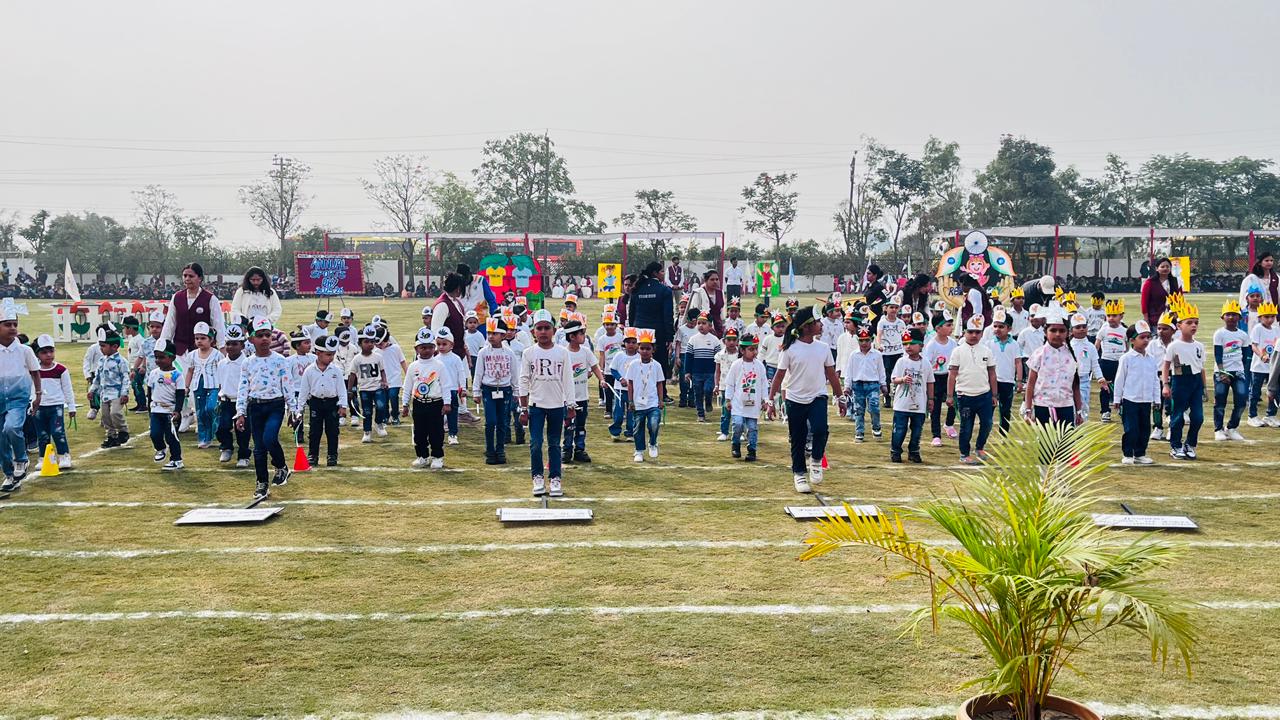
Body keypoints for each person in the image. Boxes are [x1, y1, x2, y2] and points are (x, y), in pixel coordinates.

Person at [769, 304, 845, 493]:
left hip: (817, 396)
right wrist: (771, 400)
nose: (821, 325)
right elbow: (779, 376)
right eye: (818, 322)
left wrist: (840, 397)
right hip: (794, 398)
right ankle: (799, 474)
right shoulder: (789, 349)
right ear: (806, 326)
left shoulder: (823, 347)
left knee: (820, 429)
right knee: (798, 437)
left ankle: (817, 460)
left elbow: (832, 375)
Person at [235, 318, 298, 500]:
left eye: (267, 335)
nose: (264, 339)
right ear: (251, 339)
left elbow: (287, 385)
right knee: (259, 449)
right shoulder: (247, 363)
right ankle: (262, 483)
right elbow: (243, 388)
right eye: (259, 335)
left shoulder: (280, 360)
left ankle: (281, 466)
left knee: (270, 438)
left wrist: (293, 410)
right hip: (255, 407)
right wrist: (240, 412)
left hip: (275, 405)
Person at [518, 309, 575, 497]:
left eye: (546, 328)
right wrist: (523, 408)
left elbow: (568, 380)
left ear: (554, 329)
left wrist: (571, 405)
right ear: (533, 331)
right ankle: (537, 477)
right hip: (536, 406)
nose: (543, 332)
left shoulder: (562, 353)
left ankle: (555, 478)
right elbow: (523, 380)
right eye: (539, 328)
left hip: (557, 405)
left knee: (554, 444)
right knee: (535, 443)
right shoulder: (528, 353)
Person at [948, 315, 998, 465]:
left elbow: (992, 373)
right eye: (970, 332)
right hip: (965, 396)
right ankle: (964, 453)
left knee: (987, 423)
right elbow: (952, 375)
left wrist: (994, 394)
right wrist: (950, 395)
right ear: (964, 332)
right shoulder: (957, 351)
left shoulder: (986, 351)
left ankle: (980, 447)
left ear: (982, 333)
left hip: (984, 395)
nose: (974, 335)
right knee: (966, 426)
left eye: (977, 332)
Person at [0, 307, 40, 492]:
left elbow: (35, 373)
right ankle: (9, 475)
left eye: (15, 324)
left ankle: (21, 460)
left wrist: (37, 395)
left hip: (18, 398)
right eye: (8, 325)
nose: (13, 328)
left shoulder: (24, 351)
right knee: (1, 439)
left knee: (12, 427)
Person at [1163, 304, 1207, 460]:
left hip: (1195, 382)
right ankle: (1175, 445)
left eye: (1196, 322)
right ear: (1179, 325)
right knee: (1178, 416)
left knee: (1198, 417)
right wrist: (1166, 385)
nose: (1193, 325)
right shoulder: (1174, 346)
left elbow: (1201, 368)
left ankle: (1190, 444)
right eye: (1189, 322)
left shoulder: (1200, 346)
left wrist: (1204, 388)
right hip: (1180, 382)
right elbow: (1166, 366)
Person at [1024, 307, 1082, 427]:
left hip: (1065, 405)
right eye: (1053, 330)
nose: (1057, 334)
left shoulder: (1071, 356)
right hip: (1043, 406)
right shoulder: (1039, 354)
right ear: (1045, 332)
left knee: (1065, 443)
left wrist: (1079, 411)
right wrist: (1028, 409)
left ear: (1068, 333)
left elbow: (1075, 385)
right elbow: (1030, 384)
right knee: (1045, 443)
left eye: (1062, 331)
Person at [1112, 321, 1159, 465]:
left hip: (1146, 400)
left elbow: (1155, 380)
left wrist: (1156, 399)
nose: (1146, 340)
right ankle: (1127, 453)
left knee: (1145, 428)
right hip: (1130, 399)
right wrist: (1117, 398)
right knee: (1131, 428)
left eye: (1148, 337)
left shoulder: (1151, 359)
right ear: (1132, 340)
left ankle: (1140, 453)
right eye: (1142, 337)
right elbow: (1120, 379)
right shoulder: (1126, 359)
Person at [299, 334, 348, 467]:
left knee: (332, 431)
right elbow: (303, 391)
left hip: (332, 403)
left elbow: (341, 389)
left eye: (332, 354)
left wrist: (343, 405)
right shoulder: (309, 371)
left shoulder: (336, 370)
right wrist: (299, 409)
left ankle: (332, 455)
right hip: (316, 403)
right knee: (315, 431)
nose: (331, 358)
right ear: (318, 353)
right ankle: (312, 455)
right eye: (328, 354)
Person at [474, 317, 518, 465]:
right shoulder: (483, 353)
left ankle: (500, 450)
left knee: (502, 422)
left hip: (505, 390)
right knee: (490, 421)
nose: (491, 336)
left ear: (503, 335)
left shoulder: (509, 353)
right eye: (489, 333)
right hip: (488, 389)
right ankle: (490, 450)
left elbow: (514, 373)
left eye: (495, 333)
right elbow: (478, 373)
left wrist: (516, 392)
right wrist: (476, 392)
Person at [402, 329, 448, 469]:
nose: (426, 350)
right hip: (419, 403)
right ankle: (422, 456)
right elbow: (408, 386)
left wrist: (447, 403)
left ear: (434, 348)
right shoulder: (413, 367)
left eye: (429, 347)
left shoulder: (439, 365)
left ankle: (437, 456)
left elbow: (446, 385)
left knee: (436, 432)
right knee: (420, 432)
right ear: (416, 349)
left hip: (435, 403)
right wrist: (405, 404)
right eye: (423, 347)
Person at [160, 262, 226, 355]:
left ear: (200, 278)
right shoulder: (176, 297)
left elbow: (218, 326)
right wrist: (163, 345)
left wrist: (222, 347)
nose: (187, 279)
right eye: (185, 275)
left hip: (203, 352)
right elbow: (169, 324)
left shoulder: (210, 299)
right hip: (180, 351)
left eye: (191, 276)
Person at [562, 320, 604, 464]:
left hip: (582, 396)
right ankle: (566, 449)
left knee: (580, 425)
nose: (584, 336)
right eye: (581, 334)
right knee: (568, 424)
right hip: (567, 398)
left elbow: (595, 366)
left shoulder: (585, 351)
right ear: (572, 336)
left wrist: (601, 379)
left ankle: (579, 449)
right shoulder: (564, 353)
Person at [32, 334, 75, 470]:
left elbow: (68, 389)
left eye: (51, 351)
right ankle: (44, 458)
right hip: (39, 407)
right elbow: (30, 388)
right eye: (44, 352)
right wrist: (31, 403)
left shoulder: (61, 370)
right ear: (37, 354)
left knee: (57, 432)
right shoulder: (34, 371)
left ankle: (64, 455)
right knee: (42, 435)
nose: (49, 355)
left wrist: (71, 407)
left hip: (56, 406)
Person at [889, 328, 932, 463]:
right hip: (902, 404)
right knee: (899, 429)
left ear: (921, 346)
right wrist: (902, 380)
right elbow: (894, 379)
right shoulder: (901, 361)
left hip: (919, 404)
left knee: (917, 430)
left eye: (912, 343)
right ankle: (896, 451)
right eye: (905, 343)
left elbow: (930, 382)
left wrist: (930, 399)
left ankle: (914, 451)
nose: (908, 347)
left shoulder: (925, 363)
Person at [626, 328, 667, 463]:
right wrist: (630, 401)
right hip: (638, 403)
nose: (645, 351)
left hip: (652, 403)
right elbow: (630, 384)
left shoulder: (657, 366)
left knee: (654, 424)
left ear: (653, 350)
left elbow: (659, 384)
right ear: (638, 349)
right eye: (642, 348)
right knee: (637, 428)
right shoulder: (633, 365)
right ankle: (639, 450)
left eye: (648, 349)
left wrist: (661, 400)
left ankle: (653, 443)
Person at [629, 262, 676, 378]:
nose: (663, 273)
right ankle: (661, 393)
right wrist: (669, 337)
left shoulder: (637, 289)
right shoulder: (665, 290)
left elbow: (631, 314)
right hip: (658, 333)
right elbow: (668, 316)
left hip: (639, 331)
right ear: (655, 273)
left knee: (639, 361)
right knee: (660, 362)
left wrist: (632, 330)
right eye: (662, 271)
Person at [147, 339, 187, 471]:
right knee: (154, 434)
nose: (158, 360)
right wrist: (149, 411)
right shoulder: (153, 374)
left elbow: (180, 394)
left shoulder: (176, 375)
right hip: (156, 409)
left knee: (171, 437)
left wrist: (177, 411)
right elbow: (149, 392)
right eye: (156, 357)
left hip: (170, 411)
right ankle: (160, 449)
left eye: (162, 357)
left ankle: (176, 459)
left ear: (172, 357)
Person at [1213, 301, 1250, 442]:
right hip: (1222, 372)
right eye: (1228, 314)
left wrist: (1242, 371)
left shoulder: (1243, 335)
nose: (1231, 318)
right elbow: (1218, 354)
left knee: (1241, 400)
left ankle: (1232, 428)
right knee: (1220, 400)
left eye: (1234, 315)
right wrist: (1222, 372)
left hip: (1238, 372)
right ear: (1223, 317)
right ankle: (1218, 429)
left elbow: (1246, 356)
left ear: (1239, 318)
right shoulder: (1219, 334)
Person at [724, 334, 766, 461]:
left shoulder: (759, 366)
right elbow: (730, 383)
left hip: (753, 403)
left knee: (752, 427)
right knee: (738, 424)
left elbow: (764, 384)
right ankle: (735, 444)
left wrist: (765, 400)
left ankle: (752, 449)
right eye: (751, 349)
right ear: (742, 350)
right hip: (738, 403)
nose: (754, 352)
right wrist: (728, 399)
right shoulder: (736, 365)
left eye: (755, 349)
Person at [216, 325, 252, 468]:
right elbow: (221, 382)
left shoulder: (247, 362)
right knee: (222, 428)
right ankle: (226, 447)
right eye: (228, 344)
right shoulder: (221, 363)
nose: (231, 347)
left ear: (242, 345)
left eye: (235, 344)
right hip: (226, 400)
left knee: (242, 431)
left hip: (241, 402)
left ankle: (243, 456)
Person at [91, 323, 131, 449]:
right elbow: (97, 377)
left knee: (115, 413)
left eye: (103, 346)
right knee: (106, 416)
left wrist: (125, 393)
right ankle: (111, 436)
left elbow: (125, 377)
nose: (101, 349)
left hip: (117, 394)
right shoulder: (102, 360)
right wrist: (93, 390)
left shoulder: (121, 361)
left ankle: (123, 431)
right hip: (104, 394)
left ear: (114, 346)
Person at [183, 322, 222, 450]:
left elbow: (222, 370)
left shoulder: (217, 355)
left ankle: (214, 428)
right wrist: (186, 386)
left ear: (211, 340)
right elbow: (190, 371)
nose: (199, 341)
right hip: (197, 386)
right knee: (200, 413)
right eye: (197, 338)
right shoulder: (192, 355)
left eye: (203, 338)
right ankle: (204, 438)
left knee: (210, 408)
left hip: (214, 385)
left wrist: (222, 387)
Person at [843, 327, 886, 443]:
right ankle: (859, 431)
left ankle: (876, 427)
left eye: (867, 340)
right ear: (858, 341)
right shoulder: (854, 355)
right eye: (861, 340)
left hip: (873, 385)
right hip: (858, 385)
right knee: (859, 410)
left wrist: (883, 384)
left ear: (871, 340)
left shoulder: (877, 355)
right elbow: (849, 371)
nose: (864, 343)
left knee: (874, 407)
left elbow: (881, 371)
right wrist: (847, 386)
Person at [347, 325, 389, 443]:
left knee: (381, 406)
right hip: (364, 388)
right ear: (360, 343)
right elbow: (352, 374)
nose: (370, 344)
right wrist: (350, 390)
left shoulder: (378, 356)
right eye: (366, 342)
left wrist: (384, 381)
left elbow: (382, 370)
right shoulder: (357, 359)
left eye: (372, 341)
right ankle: (367, 432)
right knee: (367, 411)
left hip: (377, 387)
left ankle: (378, 423)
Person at [984, 308, 1022, 434]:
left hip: (1007, 381)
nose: (997, 329)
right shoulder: (989, 344)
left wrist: (1019, 380)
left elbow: (1018, 362)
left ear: (1009, 329)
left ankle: (1003, 433)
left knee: (1005, 409)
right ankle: (985, 430)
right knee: (989, 408)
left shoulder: (1014, 344)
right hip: (991, 381)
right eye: (995, 326)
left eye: (1001, 326)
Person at [924, 314, 958, 446]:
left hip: (950, 377)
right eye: (948, 325)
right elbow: (927, 364)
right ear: (938, 328)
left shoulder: (953, 343)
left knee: (954, 402)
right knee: (935, 408)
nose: (951, 328)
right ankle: (936, 435)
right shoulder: (931, 345)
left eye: (951, 325)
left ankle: (949, 424)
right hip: (935, 378)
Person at [684, 312, 722, 422]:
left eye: (704, 323)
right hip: (696, 372)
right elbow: (689, 356)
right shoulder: (693, 339)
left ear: (710, 326)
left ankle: (709, 401)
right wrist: (687, 372)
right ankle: (700, 414)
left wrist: (718, 371)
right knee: (698, 393)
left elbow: (719, 358)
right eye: (699, 323)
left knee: (708, 389)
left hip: (710, 372)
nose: (701, 325)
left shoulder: (714, 340)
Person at [434, 328, 468, 444]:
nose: (441, 347)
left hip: (453, 390)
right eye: (438, 344)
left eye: (444, 344)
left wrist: (463, 388)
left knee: (453, 414)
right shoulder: (435, 359)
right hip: (438, 391)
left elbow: (461, 373)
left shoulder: (456, 358)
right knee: (438, 414)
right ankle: (438, 433)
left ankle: (453, 434)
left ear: (451, 345)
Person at [1248, 302, 1279, 427]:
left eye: (1272, 316)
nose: (1270, 319)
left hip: (1273, 368)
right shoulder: (1258, 329)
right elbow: (1254, 345)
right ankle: (1252, 416)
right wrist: (1261, 355)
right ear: (1260, 317)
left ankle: (1270, 415)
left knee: (1275, 391)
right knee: (1255, 392)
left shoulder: (1277, 330)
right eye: (1266, 317)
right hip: (1259, 367)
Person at [431, 269, 472, 364]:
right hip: (446, 357)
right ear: (458, 288)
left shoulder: (456, 302)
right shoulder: (443, 305)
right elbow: (435, 331)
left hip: (459, 353)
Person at [1070, 313, 1105, 423]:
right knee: (1070, 407)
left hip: (1084, 381)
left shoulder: (1090, 347)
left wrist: (1100, 378)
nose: (1081, 329)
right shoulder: (1068, 345)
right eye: (1078, 327)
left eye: (1084, 327)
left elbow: (1095, 364)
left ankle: (1081, 429)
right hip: (1069, 381)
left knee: (1083, 406)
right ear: (1071, 330)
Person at [608, 327, 640, 441]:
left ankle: (630, 433)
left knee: (632, 412)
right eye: (628, 342)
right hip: (620, 390)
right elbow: (613, 369)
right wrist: (620, 378)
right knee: (618, 413)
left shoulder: (640, 357)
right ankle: (615, 431)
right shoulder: (619, 355)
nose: (631, 345)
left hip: (634, 390)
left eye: (633, 342)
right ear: (624, 343)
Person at [1140, 256, 1182, 327]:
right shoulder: (1149, 283)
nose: (1165, 268)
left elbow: (1180, 300)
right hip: (1155, 320)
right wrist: (1146, 319)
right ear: (1157, 268)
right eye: (1162, 267)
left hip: (1173, 320)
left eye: (1167, 266)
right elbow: (1144, 303)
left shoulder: (1176, 281)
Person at [688, 269, 725, 335]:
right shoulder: (699, 293)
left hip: (718, 328)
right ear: (705, 281)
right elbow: (694, 313)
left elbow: (722, 313)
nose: (715, 282)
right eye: (712, 279)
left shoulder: (720, 293)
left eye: (717, 279)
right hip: (702, 330)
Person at [863, 265, 887, 330]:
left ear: (875, 275)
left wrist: (872, 305)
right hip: (867, 315)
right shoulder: (868, 286)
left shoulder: (879, 287)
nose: (867, 275)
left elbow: (884, 299)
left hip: (876, 316)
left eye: (869, 273)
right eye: (866, 273)